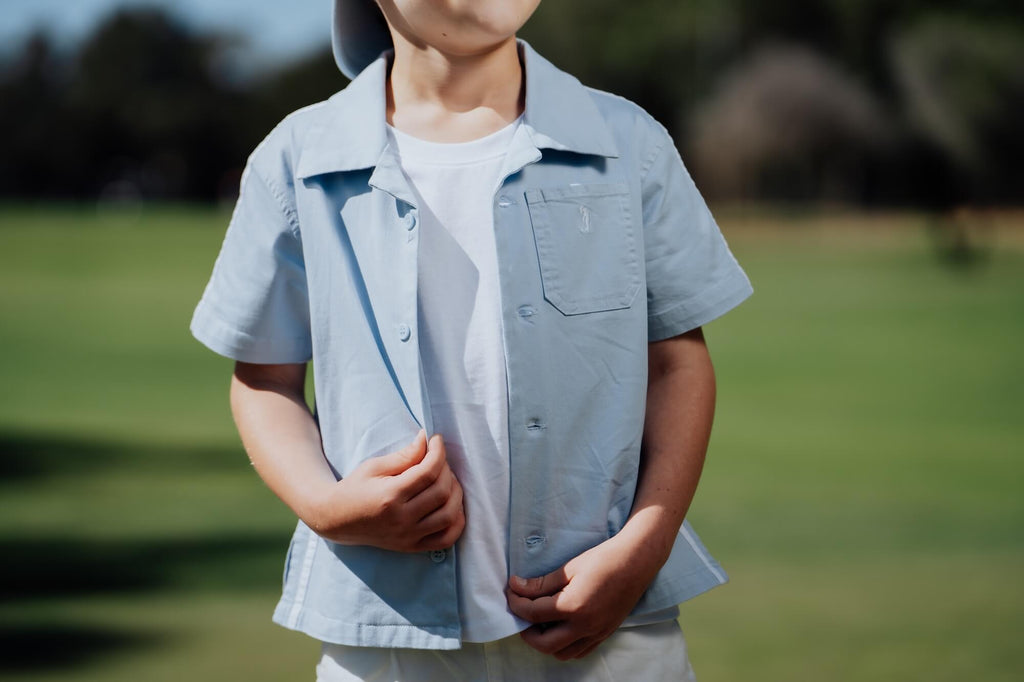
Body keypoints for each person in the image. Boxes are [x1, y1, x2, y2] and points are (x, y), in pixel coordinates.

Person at [190, 0, 753, 679]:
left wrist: (646, 544)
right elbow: (264, 380)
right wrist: (327, 507)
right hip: (387, 640)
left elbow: (676, 366)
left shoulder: (630, 143)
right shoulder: (294, 159)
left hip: (614, 638)